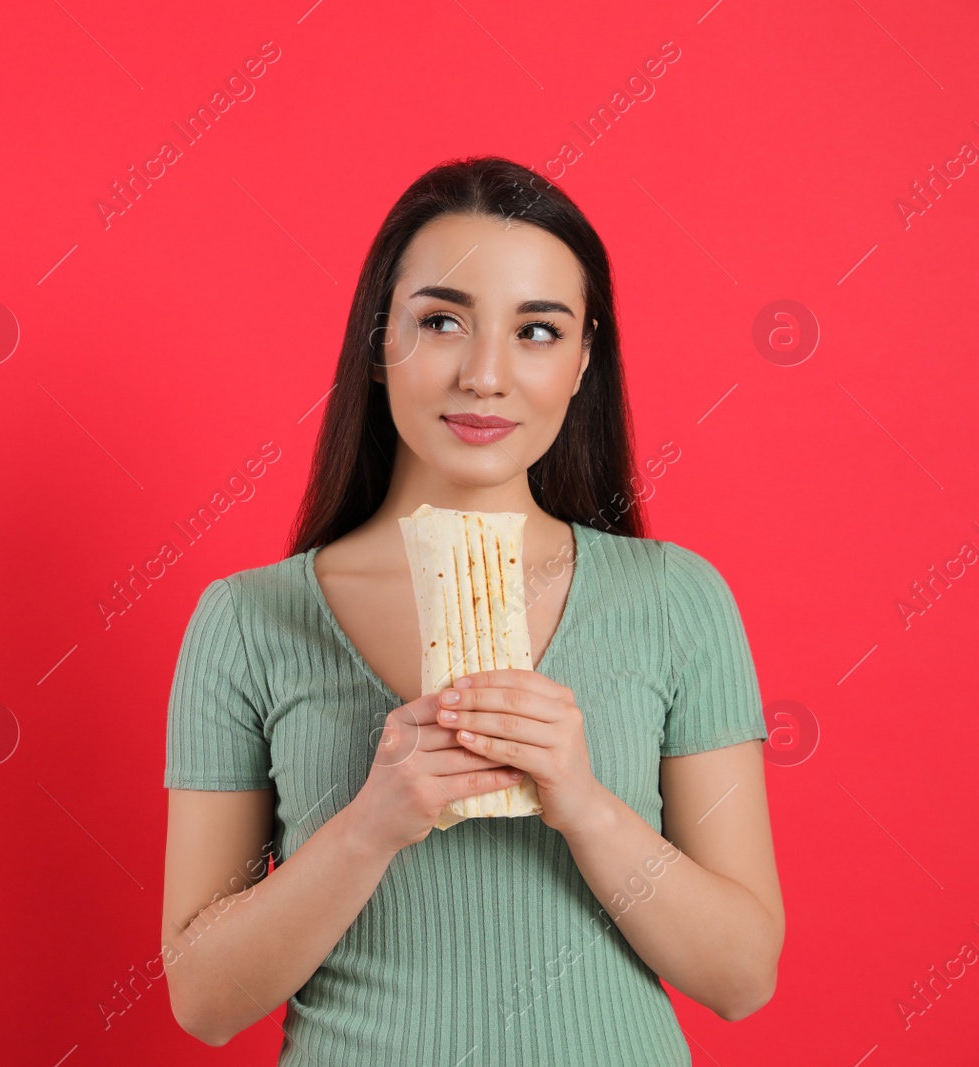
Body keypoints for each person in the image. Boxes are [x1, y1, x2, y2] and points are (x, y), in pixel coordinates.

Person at [159, 156, 784, 1065]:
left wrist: (584, 803)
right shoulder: (247, 621)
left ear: (581, 363)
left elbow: (743, 976)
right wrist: (373, 821)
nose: (485, 375)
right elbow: (204, 999)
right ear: (379, 345)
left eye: (537, 330)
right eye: (442, 322)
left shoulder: (678, 600)